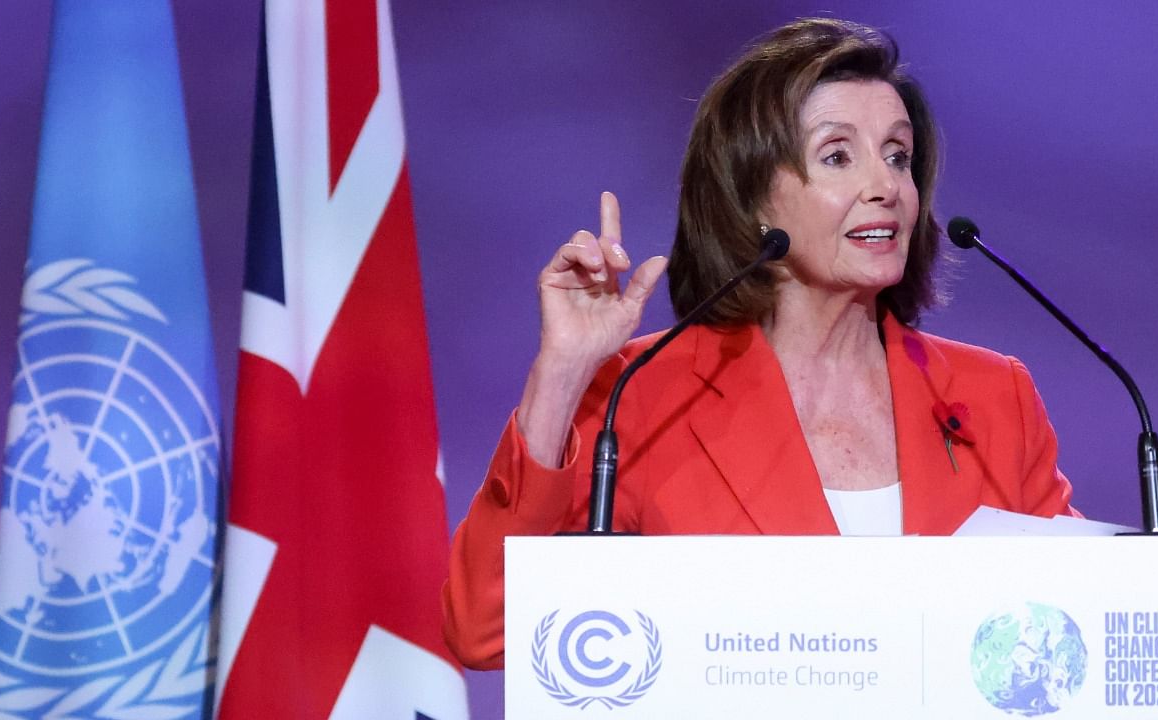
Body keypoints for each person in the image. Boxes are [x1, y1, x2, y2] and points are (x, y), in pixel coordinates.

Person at [442, 17, 1076, 670]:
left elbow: (1071, 629)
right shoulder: (645, 393)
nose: (886, 186)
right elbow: (485, 628)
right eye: (837, 156)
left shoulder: (994, 395)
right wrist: (563, 371)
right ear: (755, 200)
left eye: (897, 155)